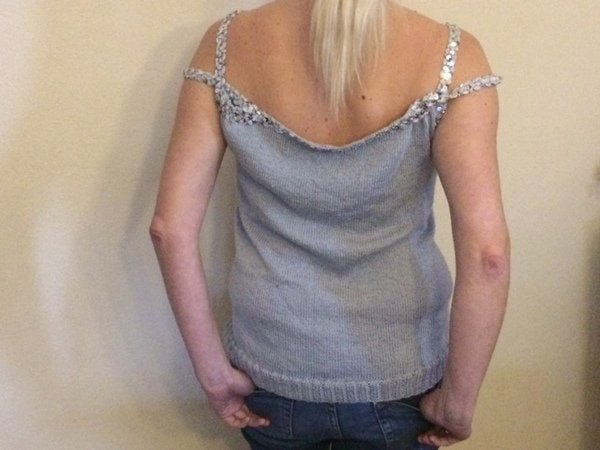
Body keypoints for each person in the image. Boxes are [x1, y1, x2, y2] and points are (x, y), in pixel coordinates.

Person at [150, 0, 510, 448]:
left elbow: (169, 230)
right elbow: (488, 256)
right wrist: (459, 397)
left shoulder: (223, 46)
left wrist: (212, 375)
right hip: (402, 376)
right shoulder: (453, 56)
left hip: (271, 373)